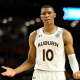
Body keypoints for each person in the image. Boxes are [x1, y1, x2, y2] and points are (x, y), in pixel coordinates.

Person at [1, 5, 80, 80]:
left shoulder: (64, 34)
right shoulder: (34, 35)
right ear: (41, 17)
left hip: (57, 74)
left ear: (54, 15)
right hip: (39, 74)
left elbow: (71, 57)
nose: (47, 15)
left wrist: (76, 71)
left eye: (49, 13)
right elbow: (31, 61)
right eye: (44, 14)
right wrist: (15, 71)